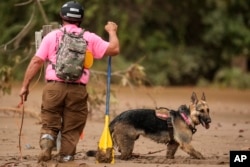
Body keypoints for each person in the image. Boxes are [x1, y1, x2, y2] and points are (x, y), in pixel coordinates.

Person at [19, 0, 119, 163]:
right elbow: (114, 49)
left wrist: (25, 86)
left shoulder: (52, 36)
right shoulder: (89, 37)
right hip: (77, 90)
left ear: (61, 16)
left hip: (53, 88)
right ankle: (66, 156)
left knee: (50, 122)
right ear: (81, 19)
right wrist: (112, 31)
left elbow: (36, 61)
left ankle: (47, 145)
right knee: (72, 128)